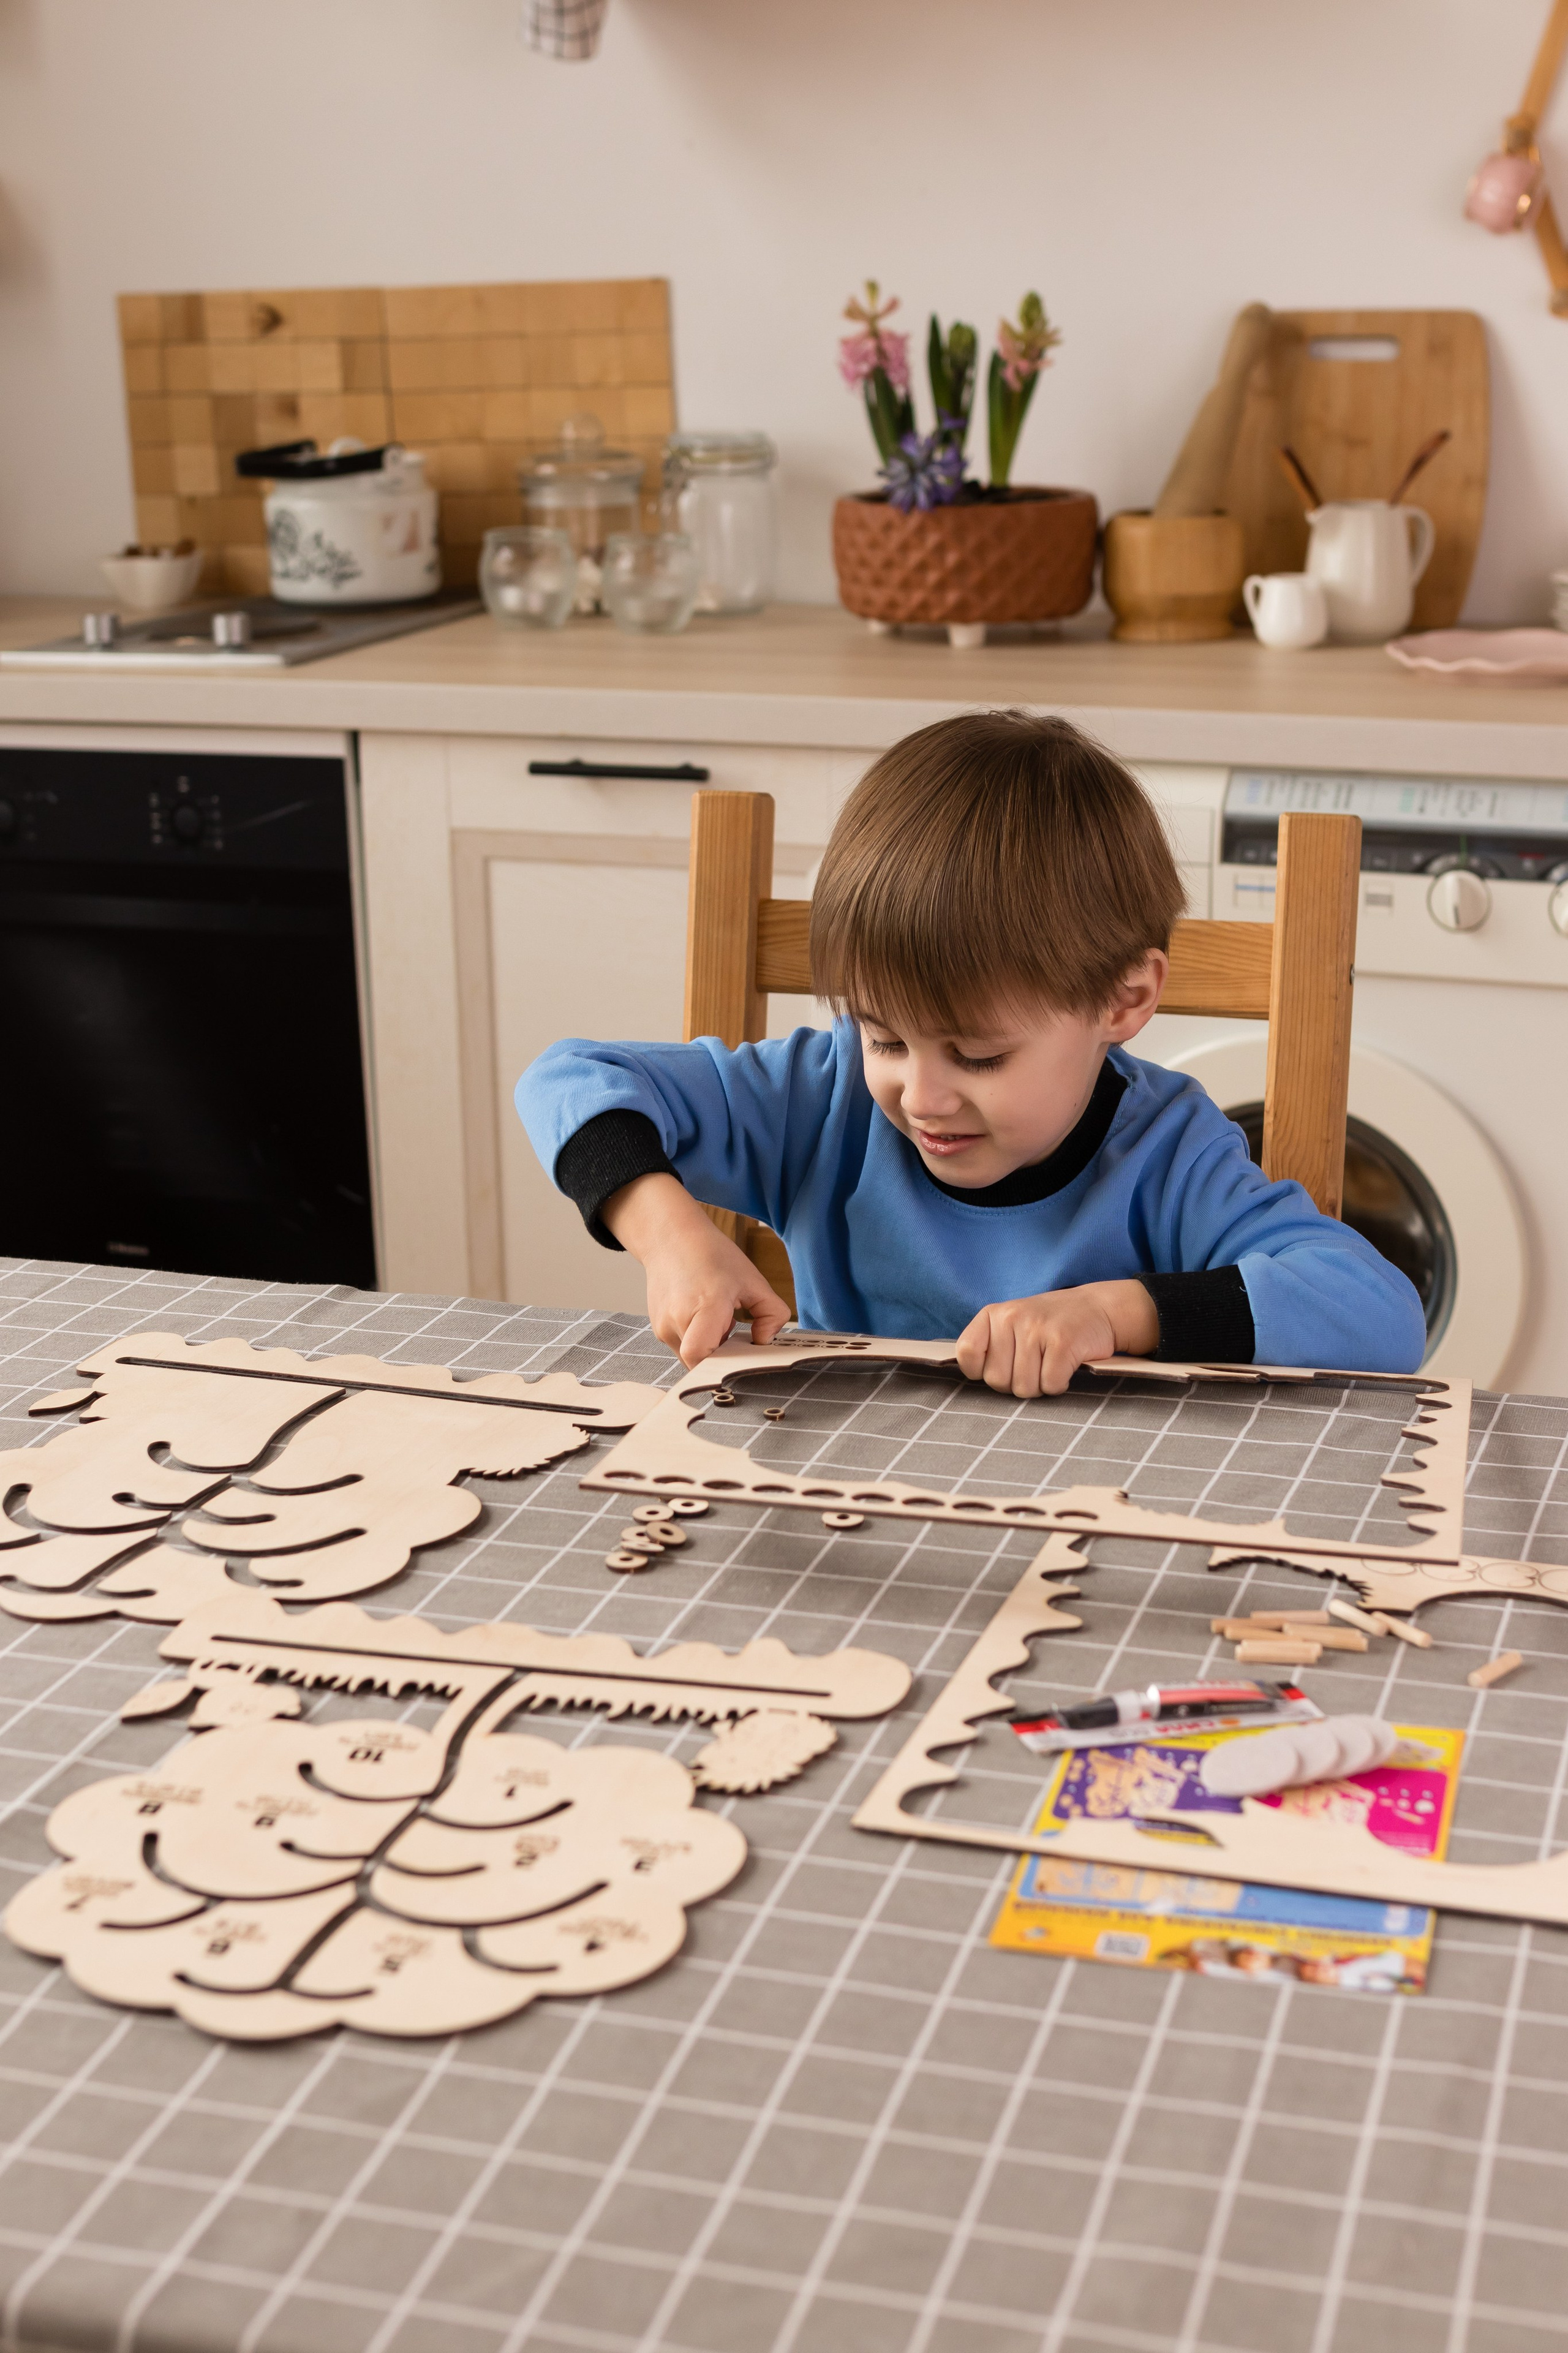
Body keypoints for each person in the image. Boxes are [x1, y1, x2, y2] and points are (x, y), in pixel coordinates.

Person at [516, 711, 1425, 1395]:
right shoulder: (823, 1094)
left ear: (1124, 1000)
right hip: (840, 1498)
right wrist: (670, 1235)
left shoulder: (1170, 1151)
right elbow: (568, 1078)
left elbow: (1380, 1312)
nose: (922, 1095)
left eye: (980, 1056)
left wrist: (1118, 1312)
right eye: (885, 1036)